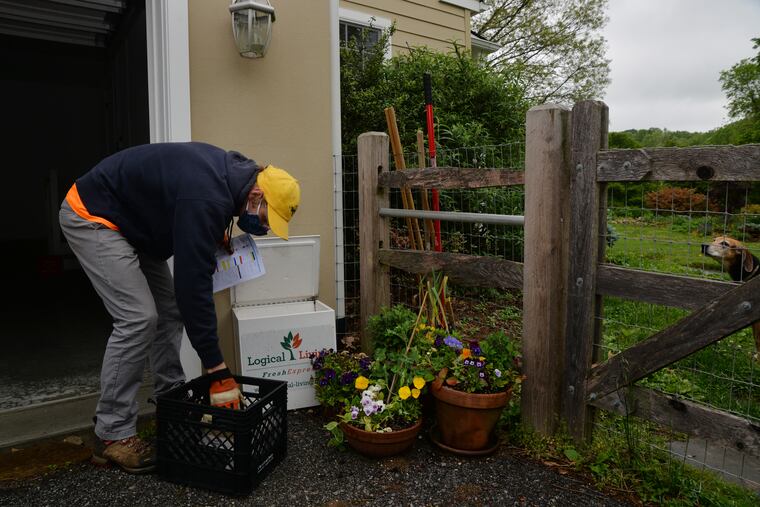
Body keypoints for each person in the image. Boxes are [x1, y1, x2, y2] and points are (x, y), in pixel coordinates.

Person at [58, 141, 301, 473]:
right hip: (93, 215)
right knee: (138, 317)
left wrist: (210, 235)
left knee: (168, 311)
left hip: (131, 226)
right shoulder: (209, 196)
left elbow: (188, 211)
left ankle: (170, 402)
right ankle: (110, 434)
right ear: (256, 196)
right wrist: (217, 369)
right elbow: (193, 287)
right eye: (267, 218)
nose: (266, 228)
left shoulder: (234, 179)